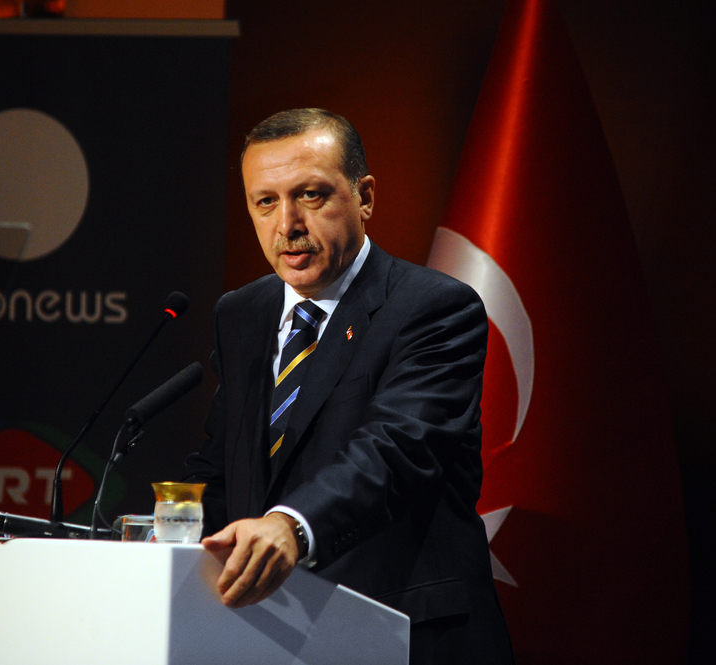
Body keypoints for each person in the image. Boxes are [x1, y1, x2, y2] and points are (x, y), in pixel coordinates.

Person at [183, 108, 513, 663]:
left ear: (365, 197)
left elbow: (396, 450)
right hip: (273, 635)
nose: (286, 224)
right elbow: (226, 466)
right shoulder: (242, 314)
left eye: (309, 195)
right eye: (265, 202)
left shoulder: (433, 308)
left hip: (406, 634)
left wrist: (291, 527)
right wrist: (163, 533)